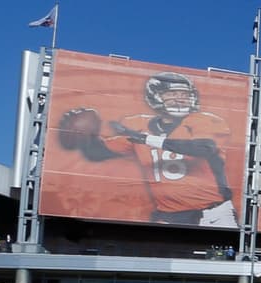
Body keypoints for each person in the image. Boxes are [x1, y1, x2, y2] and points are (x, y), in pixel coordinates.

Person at [57, 71, 238, 227]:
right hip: (169, 214)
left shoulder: (204, 120)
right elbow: (99, 153)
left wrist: (148, 139)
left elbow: (204, 147)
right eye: (172, 93)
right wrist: (86, 136)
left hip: (212, 214)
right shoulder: (138, 124)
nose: (180, 99)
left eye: (185, 94)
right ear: (155, 96)